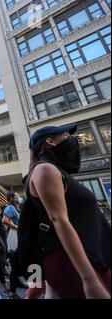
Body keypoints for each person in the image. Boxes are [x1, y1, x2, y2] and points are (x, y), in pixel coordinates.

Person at [26, 123, 110, 299]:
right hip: (73, 262)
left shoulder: (57, 171)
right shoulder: (45, 169)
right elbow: (59, 220)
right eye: (65, 135)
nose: (71, 139)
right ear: (50, 141)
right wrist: (89, 279)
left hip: (89, 256)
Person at [3, 192, 28, 297]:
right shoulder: (9, 208)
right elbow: (4, 220)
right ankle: (12, 292)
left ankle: (18, 283)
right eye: (16, 196)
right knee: (14, 266)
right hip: (14, 239)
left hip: (19, 239)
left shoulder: (17, 208)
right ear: (11, 198)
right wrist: (16, 227)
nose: (19, 197)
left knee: (18, 264)